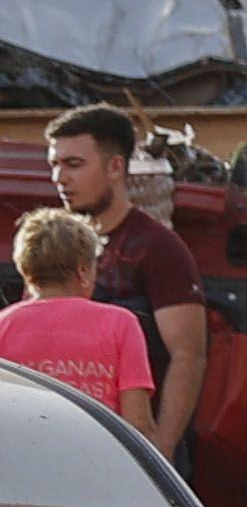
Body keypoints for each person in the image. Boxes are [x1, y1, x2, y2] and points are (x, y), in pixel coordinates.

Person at [41, 105, 205, 462]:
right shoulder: (51, 246)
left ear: (116, 167)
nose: (59, 178)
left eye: (73, 164)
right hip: (53, 442)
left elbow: (188, 354)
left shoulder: (158, 248)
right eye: (54, 164)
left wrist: (162, 446)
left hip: (133, 449)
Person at [0, 203, 153, 426]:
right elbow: (138, 422)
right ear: (83, 270)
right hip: (96, 457)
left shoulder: (4, 325)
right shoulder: (121, 324)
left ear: (26, 270)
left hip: (21, 458)